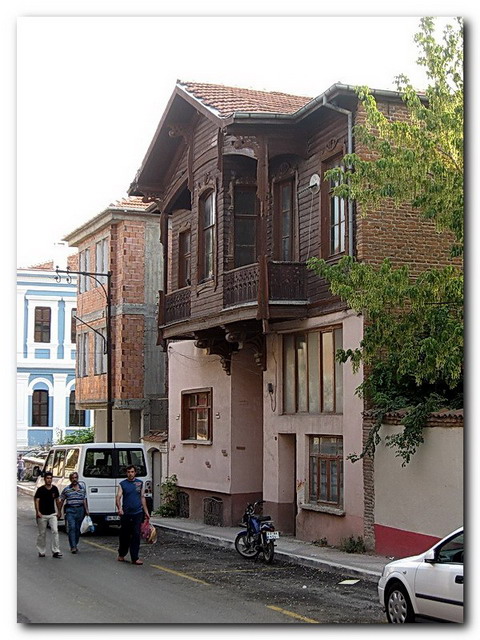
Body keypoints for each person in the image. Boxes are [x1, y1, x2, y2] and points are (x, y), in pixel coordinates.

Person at [115, 465, 150, 565]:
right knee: (125, 535)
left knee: (136, 534)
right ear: (126, 473)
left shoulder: (140, 483)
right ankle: (121, 553)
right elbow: (118, 497)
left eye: (132, 472)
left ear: (135, 473)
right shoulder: (122, 484)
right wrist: (120, 509)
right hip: (126, 513)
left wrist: (146, 512)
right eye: (129, 472)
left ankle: (135, 557)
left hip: (137, 513)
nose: (130, 474)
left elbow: (142, 497)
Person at [34, 471, 62, 558]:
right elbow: (37, 500)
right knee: (42, 533)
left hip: (52, 514)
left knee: (55, 531)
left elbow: (57, 500)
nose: (49, 480)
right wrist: (38, 511)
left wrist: (59, 511)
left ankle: (56, 551)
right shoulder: (40, 489)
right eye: (47, 478)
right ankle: (41, 551)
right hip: (42, 514)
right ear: (45, 479)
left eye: (50, 478)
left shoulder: (54, 489)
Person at [59, 472, 90, 553]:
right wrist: (59, 511)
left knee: (77, 528)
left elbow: (84, 499)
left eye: (75, 478)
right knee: (72, 527)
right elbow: (62, 500)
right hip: (70, 510)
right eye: (72, 478)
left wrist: (87, 510)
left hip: (80, 510)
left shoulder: (82, 488)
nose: (74, 479)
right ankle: (73, 546)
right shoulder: (67, 490)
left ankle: (75, 543)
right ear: (70, 479)